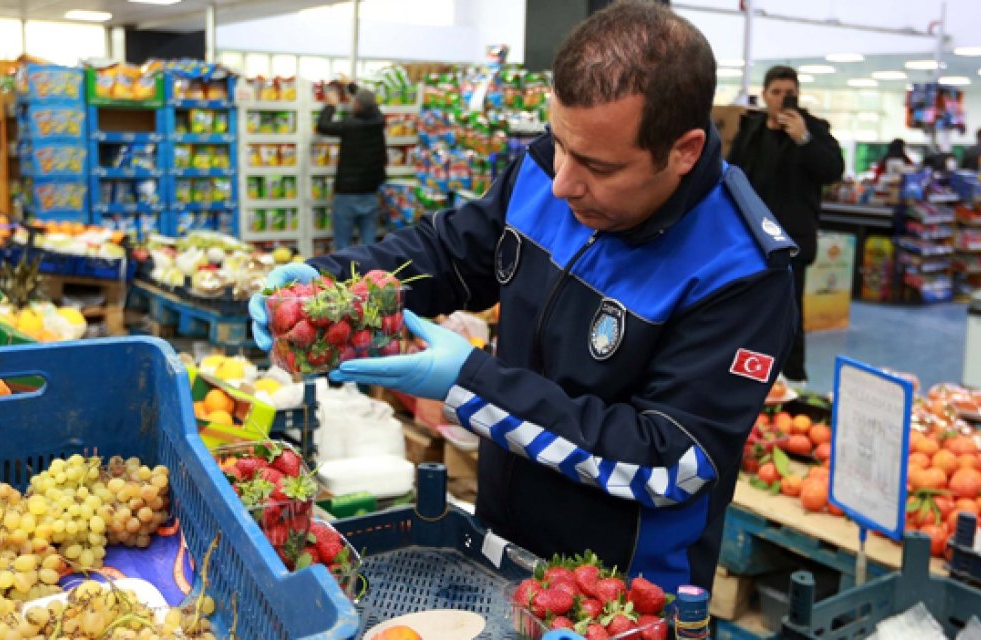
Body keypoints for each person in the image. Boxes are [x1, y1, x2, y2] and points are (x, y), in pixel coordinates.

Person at [249, 0, 797, 593]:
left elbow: (668, 461)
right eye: (559, 141)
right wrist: (323, 281)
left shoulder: (740, 272)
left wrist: (472, 383)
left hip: (615, 601)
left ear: (684, 150)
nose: (562, 182)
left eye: (598, 166)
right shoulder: (545, 169)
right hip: (500, 548)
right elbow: (449, 252)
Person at [727, 65, 843, 384]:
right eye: (775, 93)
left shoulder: (814, 130)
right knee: (746, 310)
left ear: (798, 96)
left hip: (792, 243)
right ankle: (746, 378)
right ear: (764, 95)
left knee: (789, 313)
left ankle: (793, 380)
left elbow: (833, 171)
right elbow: (731, 175)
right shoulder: (751, 131)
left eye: (788, 94)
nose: (781, 100)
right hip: (750, 240)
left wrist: (803, 139)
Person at [317, 85, 386, 250]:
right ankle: (370, 274)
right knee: (370, 246)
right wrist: (353, 87)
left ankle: (344, 275)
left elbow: (323, 125)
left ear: (357, 106)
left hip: (347, 195)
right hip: (370, 193)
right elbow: (371, 105)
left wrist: (331, 105)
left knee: (343, 246)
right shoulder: (379, 122)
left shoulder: (350, 125)